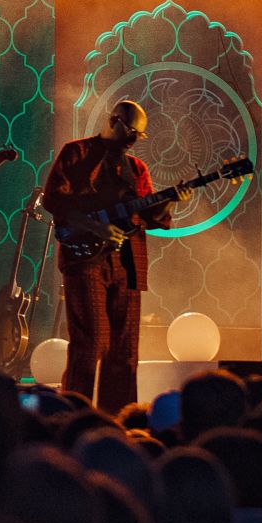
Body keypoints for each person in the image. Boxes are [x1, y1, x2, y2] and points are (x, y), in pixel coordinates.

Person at [43, 100, 182, 415]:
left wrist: (171, 200)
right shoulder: (76, 153)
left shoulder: (137, 169)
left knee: (124, 349)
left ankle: (117, 419)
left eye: (138, 135)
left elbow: (151, 216)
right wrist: (95, 226)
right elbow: (54, 199)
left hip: (128, 261)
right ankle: (73, 416)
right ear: (113, 120)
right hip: (85, 259)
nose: (133, 139)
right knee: (91, 342)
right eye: (131, 131)